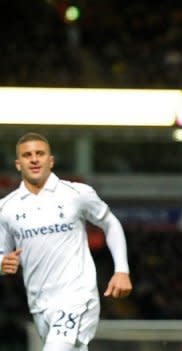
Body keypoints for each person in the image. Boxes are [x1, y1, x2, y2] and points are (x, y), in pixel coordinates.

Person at [0, 132, 132, 351]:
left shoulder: (76, 194)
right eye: (27, 155)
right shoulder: (6, 208)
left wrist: (122, 270)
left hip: (77, 297)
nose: (34, 159)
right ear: (18, 163)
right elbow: (2, 254)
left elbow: (110, 223)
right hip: (39, 304)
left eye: (40, 154)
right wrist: (2, 263)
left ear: (50, 160)